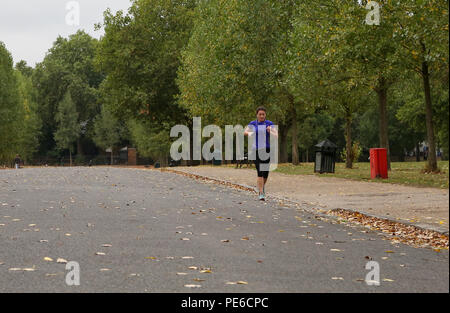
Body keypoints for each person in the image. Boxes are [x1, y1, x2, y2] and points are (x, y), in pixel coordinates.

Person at [244, 106, 278, 201]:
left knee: (266, 173)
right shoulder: (253, 123)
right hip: (256, 150)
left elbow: (276, 135)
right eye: (260, 114)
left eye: (263, 114)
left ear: (265, 115)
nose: (262, 116)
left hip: (266, 150)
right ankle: (261, 193)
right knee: (260, 172)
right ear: (257, 115)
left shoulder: (269, 124)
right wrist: (250, 133)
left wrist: (270, 131)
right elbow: (245, 132)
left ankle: (261, 187)